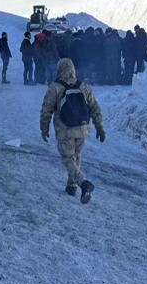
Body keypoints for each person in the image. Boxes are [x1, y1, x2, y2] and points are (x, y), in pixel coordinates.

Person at [40, 58, 105, 204]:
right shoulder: (83, 86)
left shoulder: (55, 87)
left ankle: (83, 183)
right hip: (82, 128)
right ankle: (71, 185)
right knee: (76, 156)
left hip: (65, 129)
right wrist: (99, 126)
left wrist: (44, 128)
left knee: (68, 158)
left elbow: (46, 110)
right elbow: (94, 107)